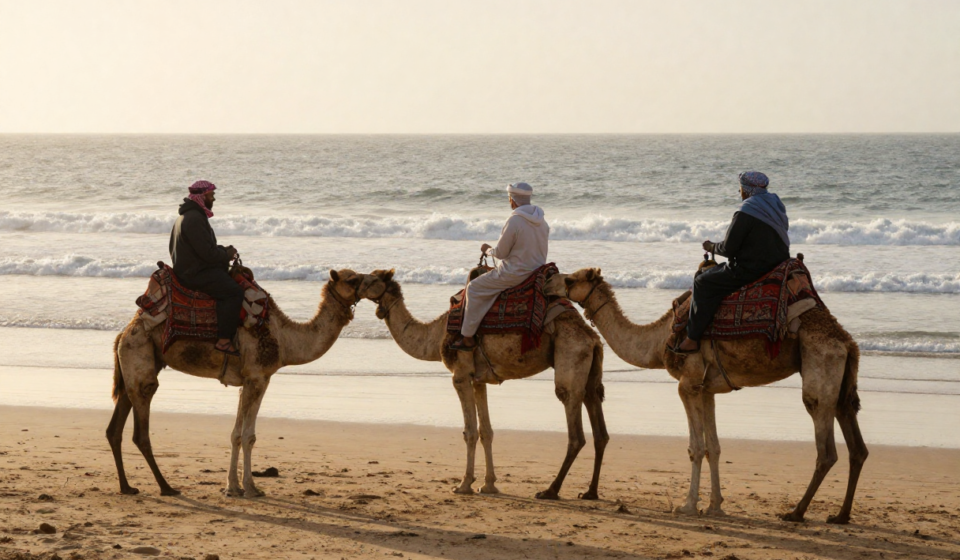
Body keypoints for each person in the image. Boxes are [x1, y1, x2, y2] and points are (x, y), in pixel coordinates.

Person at [673, 171, 790, 354]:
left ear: (747, 189)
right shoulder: (774, 204)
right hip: (777, 264)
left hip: (751, 269)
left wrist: (711, 247)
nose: (739, 191)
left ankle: (692, 339)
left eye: (741, 188)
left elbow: (728, 249)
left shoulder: (746, 211)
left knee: (702, 281)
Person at [450, 182, 549, 351]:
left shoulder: (515, 221)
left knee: (473, 288)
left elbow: (501, 253)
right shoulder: (542, 221)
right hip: (536, 272)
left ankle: (467, 338)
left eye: (509, 198)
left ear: (513, 200)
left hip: (514, 274)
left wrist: (487, 250)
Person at [168, 180, 243, 356]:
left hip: (192, 269)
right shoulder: (194, 219)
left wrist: (224, 251)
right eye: (211, 195)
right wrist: (225, 255)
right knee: (234, 292)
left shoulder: (189, 216)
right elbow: (208, 255)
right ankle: (224, 341)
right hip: (195, 273)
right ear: (202, 196)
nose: (213, 198)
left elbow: (204, 248)